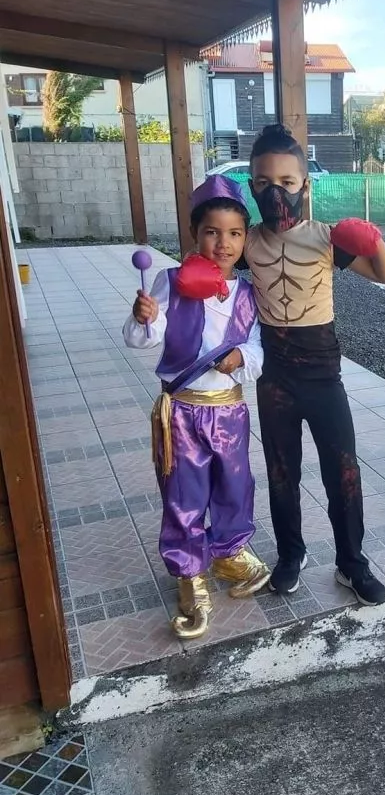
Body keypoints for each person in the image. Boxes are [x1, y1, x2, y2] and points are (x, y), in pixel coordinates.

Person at [240, 123, 385, 607]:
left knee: (343, 470)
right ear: (252, 187)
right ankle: (291, 554)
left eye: (287, 182)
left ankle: (352, 562)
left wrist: (372, 239)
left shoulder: (326, 238)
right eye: (264, 182)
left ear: (304, 186)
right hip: (275, 378)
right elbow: (210, 266)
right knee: (281, 471)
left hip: (324, 376)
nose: (276, 193)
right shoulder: (247, 242)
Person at [122, 175, 269, 639]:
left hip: (229, 411)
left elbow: (259, 348)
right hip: (183, 413)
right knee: (184, 493)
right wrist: (144, 318)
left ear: (245, 239)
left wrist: (241, 357)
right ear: (194, 234)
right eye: (212, 232)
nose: (223, 243)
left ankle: (229, 553)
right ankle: (190, 572)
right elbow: (143, 339)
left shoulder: (249, 293)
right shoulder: (168, 283)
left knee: (235, 485)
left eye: (234, 233)